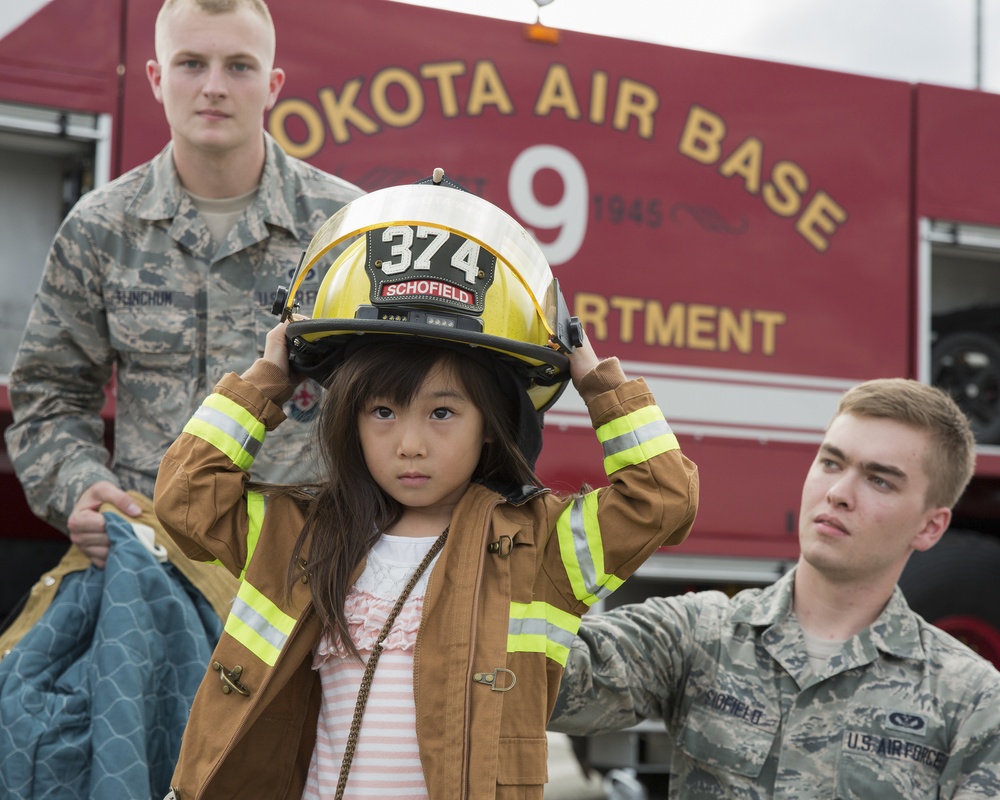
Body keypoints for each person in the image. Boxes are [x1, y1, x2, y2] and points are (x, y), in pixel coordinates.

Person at [151, 179, 700, 799]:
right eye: (383, 412)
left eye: (442, 414)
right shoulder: (298, 533)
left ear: (491, 429)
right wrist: (267, 378)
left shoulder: (543, 549)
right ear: (349, 420)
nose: (409, 443)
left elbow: (662, 498)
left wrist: (599, 383)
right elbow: (186, 498)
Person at [4, 0, 363, 569]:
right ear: (156, 77)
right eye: (191, 63)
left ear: (272, 85)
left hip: (304, 570)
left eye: (239, 66)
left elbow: (399, 393)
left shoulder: (348, 230)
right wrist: (81, 487)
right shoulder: (101, 227)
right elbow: (50, 396)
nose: (214, 87)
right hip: (148, 564)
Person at [549, 377, 1000, 799]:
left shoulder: (972, 700)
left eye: (879, 479)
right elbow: (538, 677)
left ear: (930, 526)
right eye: (830, 462)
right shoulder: (701, 635)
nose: (839, 492)